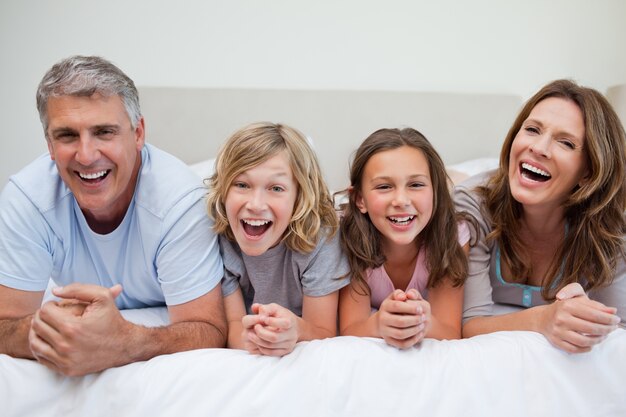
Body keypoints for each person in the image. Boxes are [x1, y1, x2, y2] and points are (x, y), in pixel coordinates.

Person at [0, 56, 227, 376]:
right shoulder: (27, 200)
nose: (87, 155)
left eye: (104, 132)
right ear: (49, 145)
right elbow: (4, 325)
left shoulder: (181, 202)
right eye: (67, 135)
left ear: (138, 133)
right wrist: (43, 332)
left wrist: (124, 342)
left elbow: (209, 328)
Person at [455, 79, 626, 353]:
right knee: (446, 182)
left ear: (589, 172)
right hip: (480, 187)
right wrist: (542, 319)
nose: (539, 147)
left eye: (566, 143)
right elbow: (468, 326)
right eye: (532, 130)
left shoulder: (611, 227)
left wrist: (591, 318)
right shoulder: (471, 208)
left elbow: (619, 327)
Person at [206, 122, 350, 356]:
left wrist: (296, 330)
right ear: (223, 190)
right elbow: (233, 325)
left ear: (300, 196)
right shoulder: (219, 238)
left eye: (276, 188)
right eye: (242, 185)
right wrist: (253, 340)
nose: (255, 205)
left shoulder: (321, 238)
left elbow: (323, 330)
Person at [338, 128, 471, 348]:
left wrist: (424, 322)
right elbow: (351, 329)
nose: (401, 200)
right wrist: (378, 324)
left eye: (416, 185)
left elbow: (450, 331)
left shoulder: (452, 235)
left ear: (436, 192)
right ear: (360, 199)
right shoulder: (347, 235)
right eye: (384, 186)